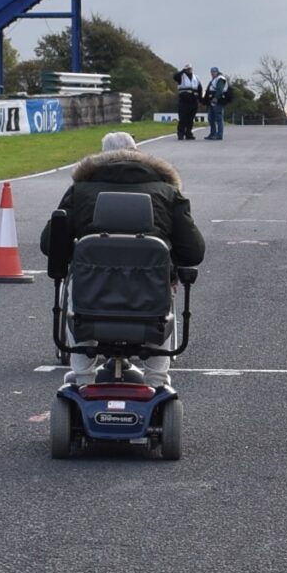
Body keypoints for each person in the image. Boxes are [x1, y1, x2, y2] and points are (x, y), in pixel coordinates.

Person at [40, 129, 205, 386]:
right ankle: (157, 378)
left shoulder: (80, 192)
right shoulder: (167, 193)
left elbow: (50, 244)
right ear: (137, 154)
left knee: (78, 288)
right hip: (149, 297)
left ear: (102, 156)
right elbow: (193, 252)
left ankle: (83, 376)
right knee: (162, 288)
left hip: (92, 296)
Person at [204, 66, 231, 141]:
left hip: (217, 100)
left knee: (218, 118)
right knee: (210, 118)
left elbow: (219, 89)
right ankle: (213, 133)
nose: (212, 73)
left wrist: (216, 98)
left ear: (217, 72)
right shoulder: (214, 79)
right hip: (211, 100)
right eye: (212, 72)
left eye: (214, 72)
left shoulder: (220, 79)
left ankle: (219, 135)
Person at [174, 66, 200, 141]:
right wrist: (183, 70)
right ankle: (180, 134)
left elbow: (199, 88)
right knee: (183, 118)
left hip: (193, 100)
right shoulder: (181, 77)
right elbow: (175, 77)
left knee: (190, 119)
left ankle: (189, 133)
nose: (189, 70)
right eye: (187, 69)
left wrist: (200, 99)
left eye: (190, 69)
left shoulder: (196, 77)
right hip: (184, 100)